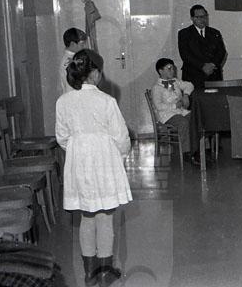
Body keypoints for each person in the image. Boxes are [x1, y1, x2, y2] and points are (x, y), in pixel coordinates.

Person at [55, 49, 132, 287]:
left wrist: (79, 150)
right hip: (104, 162)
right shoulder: (106, 101)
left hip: (79, 163)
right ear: (95, 73)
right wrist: (121, 155)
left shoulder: (63, 101)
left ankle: (89, 273)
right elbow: (121, 136)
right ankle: (106, 271)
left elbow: (62, 137)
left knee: (86, 217)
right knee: (105, 217)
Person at [151, 58, 196, 165]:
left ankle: (199, 150)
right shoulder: (157, 88)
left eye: (173, 68)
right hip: (167, 115)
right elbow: (159, 106)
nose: (172, 71)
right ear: (160, 71)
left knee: (195, 118)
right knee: (183, 123)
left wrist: (186, 95)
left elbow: (190, 85)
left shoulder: (175, 82)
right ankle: (186, 152)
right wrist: (175, 105)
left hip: (180, 112)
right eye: (169, 69)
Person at [178, 4, 227, 89]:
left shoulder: (215, 32)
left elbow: (221, 52)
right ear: (192, 18)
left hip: (213, 76)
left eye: (204, 16)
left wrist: (212, 65)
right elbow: (185, 55)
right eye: (199, 17)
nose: (203, 19)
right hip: (193, 76)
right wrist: (202, 66)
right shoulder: (184, 33)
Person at [59, 28, 88, 94]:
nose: (85, 47)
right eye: (82, 44)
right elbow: (71, 88)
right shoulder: (68, 62)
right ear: (72, 44)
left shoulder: (75, 57)